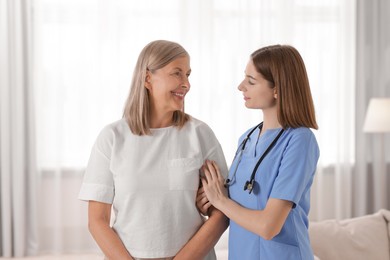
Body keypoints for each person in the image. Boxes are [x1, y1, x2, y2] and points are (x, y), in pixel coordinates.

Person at [78, 40, 229, 260]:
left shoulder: (200, 134)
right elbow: (97, 220)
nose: (186, 83)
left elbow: (222, 213)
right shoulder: (112, 137)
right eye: (177, 73)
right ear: (148, 78)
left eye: (188, 74)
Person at [197, 44, 319, 259]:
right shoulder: (247, 138)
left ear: (277, 89)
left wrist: (221, 201)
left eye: (251, 81)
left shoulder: (300, 140)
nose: (241, 86)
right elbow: (235, 205)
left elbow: (268, 227)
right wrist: (209, 202)